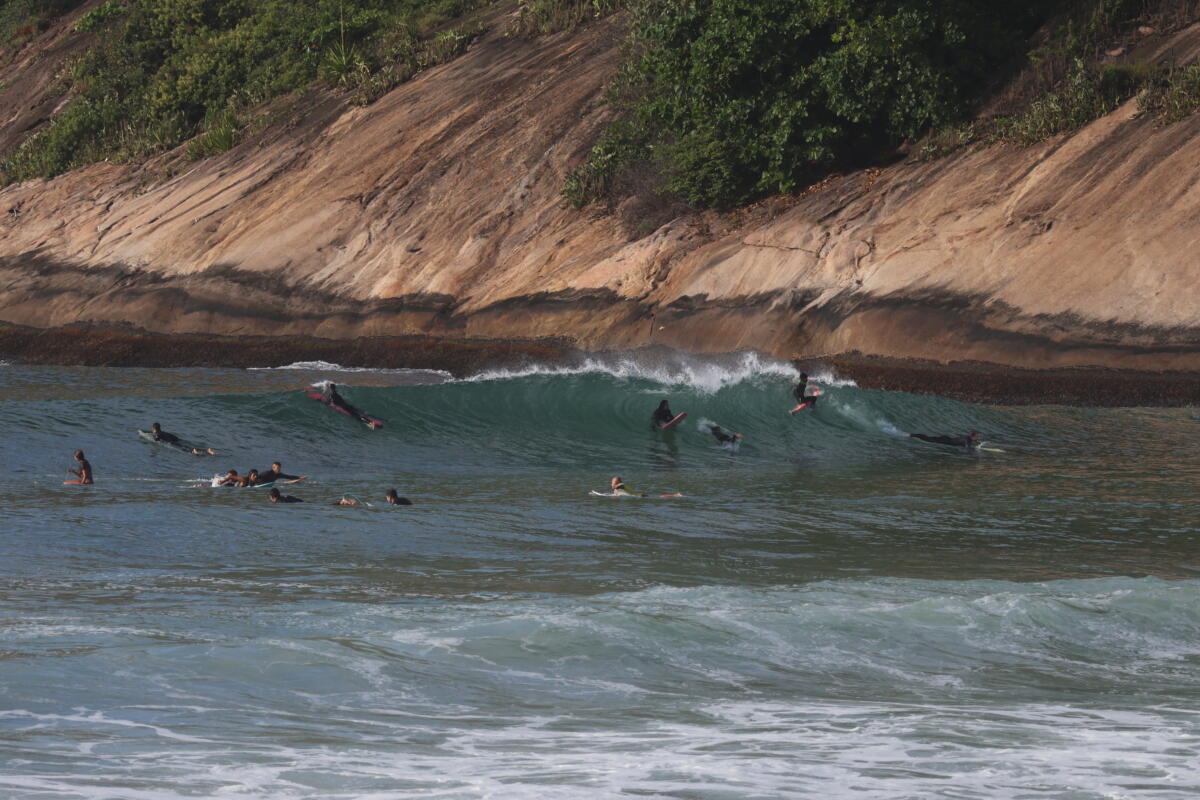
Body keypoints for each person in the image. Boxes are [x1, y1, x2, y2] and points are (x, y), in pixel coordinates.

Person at [149, 422, 216, 455]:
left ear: (153, 428)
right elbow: (175, 437)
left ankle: (195, 451)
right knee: (185, 447)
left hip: (171, 444)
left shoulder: (157, 434)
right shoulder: (164, 432)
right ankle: (207, 450)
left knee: (185, 450)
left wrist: (153, 439)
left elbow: (156, 439)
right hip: (174, 442)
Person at [607, 475, 682, 498]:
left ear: (617, 482)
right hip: (638, 495)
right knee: (658, 496)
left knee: (659, 497)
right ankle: (675, 495)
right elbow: (617, 494)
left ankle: (676, 495)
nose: (611, 484)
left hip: (640, 496)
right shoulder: (619, 487)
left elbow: (618, 487)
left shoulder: (621, 485)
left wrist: (614, 488)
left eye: (612, 482)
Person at [908, 430, 981, 452]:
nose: (978, 437)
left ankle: (912, 435)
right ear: (973, 436)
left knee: (929, 438)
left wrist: (979, 444)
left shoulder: (968, 438)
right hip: (945, 440)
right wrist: (975, 449)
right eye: (977, 436)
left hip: (946, 439)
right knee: (928, 439)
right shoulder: (967, 440)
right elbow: (967, 448)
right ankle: (912, 435)